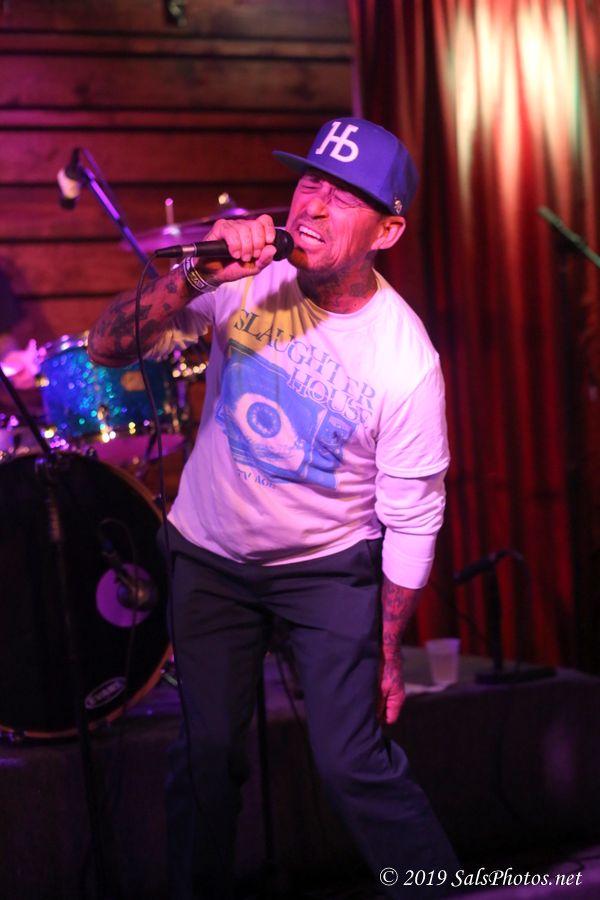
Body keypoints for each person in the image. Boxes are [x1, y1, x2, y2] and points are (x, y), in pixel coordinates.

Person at [88, 117, 459, 898]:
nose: (314, 205)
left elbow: (413, 517)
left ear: (388, 231)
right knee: (208, 755)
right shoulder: (242, 278)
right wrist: (199, 274)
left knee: (353, 762)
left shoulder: (405, 360)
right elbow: (107, 346)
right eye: (310, 180)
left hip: (327, 569)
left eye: (345, 195)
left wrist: (389, 645)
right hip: (211, 555)